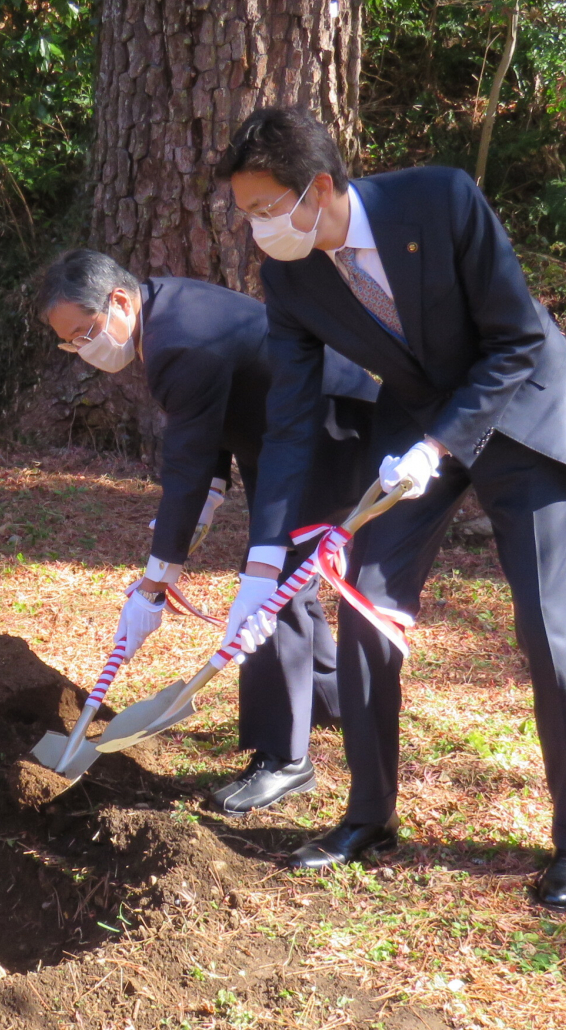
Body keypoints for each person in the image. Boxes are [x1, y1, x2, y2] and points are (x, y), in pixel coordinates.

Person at [216, 107, 566, 908]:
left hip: (522, 414)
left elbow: (516, 339)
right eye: (245, 213)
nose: (257, 229)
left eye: (265, 209)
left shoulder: (442, 200)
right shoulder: (289, 276)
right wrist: (264, 561)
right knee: (366, 605)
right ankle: (369, 815)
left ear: (319, 188)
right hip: (410, 433)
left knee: (547, 621)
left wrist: (445, 443)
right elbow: (288, 420)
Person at [37, 249, 376, 813]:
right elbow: (214, 415)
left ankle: (282, 759)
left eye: (86, 331)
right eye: (70, 342)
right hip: (292, 437)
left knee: (271, 592)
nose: (84, 348)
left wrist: (154, 582)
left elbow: (187, 464)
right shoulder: (164, 312)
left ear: (119, 301)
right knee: (286, 576)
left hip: (333, 434)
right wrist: (205, 504)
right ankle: (328, 698)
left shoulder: (178, 341)